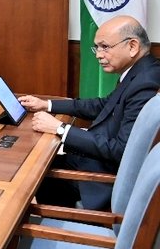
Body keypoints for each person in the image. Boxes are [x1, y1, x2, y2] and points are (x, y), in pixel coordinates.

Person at [18, 15, 160, 211]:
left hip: (103, 179)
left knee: (35, 168)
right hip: (99, 160)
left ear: (133, 46)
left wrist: (60, 128)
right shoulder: (141, 71)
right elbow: (102, 105)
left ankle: (52, 229)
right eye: (97, 48)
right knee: (38, 156)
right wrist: (47, 104)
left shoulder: (145, 83)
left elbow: (121, 150)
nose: (98, 55)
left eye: (105, 47)